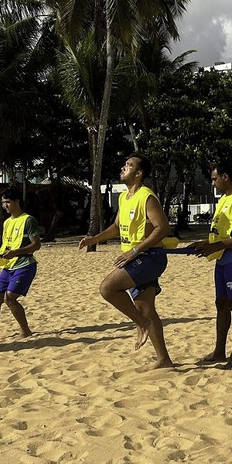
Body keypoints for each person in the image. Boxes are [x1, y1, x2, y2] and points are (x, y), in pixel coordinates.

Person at [79, 155, 174, 369]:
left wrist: (135, 250)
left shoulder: (146, 196)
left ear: (139, 173)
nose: (123, 168)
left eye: (129, 166)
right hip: (138, 257)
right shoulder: (124, 197)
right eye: (124, 165)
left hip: (150, 258)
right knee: (146, 308)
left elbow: (163, 228)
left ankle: (142, 324)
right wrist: (94, 239)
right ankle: (164, 360)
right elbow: (115, 227)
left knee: (107, 288)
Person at [189, 162, 232, 370]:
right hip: (222, 258)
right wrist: (204, 244)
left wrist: (216, 245)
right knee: (221, 303)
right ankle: (219, 350)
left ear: (225, 177)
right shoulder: (223, 200)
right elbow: (222, 232)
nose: (213, 183)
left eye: (214, 179)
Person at [0, 187, 41, 341]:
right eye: (3, 202)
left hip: (25, 264)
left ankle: (25, 331)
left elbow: (36, 245)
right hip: (8, 265)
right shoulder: (7, 222)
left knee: (10, 297)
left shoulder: (28, 220)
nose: (5, 205)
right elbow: (7, 244)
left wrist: (16, 252)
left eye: (7, 202)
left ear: (17, 201)